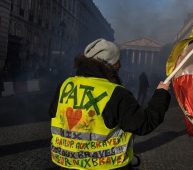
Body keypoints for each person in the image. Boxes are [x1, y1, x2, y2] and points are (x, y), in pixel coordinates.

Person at [49, 39, 171, 170]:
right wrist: (161, 94)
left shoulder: (65, 85)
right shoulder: (116, 93)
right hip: (105, 165)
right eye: (118, 61)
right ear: (112, 64)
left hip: (65, 163)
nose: (120, 65)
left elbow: (52, 113)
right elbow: (144, 124)